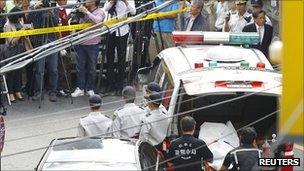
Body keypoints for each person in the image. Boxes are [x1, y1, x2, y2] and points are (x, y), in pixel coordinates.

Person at [71, 0, 104, 97]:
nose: (86, 1)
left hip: (93, 44)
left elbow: (97, 21)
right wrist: (78, 12)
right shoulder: (82, 10)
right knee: (80, 67)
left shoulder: (100, 12)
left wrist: (86, 12)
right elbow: (74, 21)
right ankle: (80, 88)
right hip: (81, 43)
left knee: (92, 68)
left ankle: (90, 88)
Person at [28, 0, 60, 102]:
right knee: (39, 69)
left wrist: (51, 13)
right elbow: (29, 20)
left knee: (53, 69)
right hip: (39, 40)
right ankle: (38, 92)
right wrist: (34, 9)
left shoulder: (54, 7)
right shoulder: (36, 7)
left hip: (52, 40)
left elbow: (55, 23)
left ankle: (53, 92)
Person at [103, 0, 136, 96]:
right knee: (109, 58)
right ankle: (110, 84)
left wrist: (125, 1)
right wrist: (112, 2)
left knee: (121, 58)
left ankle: (120, 86)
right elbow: (105, 8)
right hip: (111, 31)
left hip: (122, 31)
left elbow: (133, 12)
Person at [4, 7, 30, 103]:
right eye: (19, 17)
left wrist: (26, 31)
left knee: (19, 71)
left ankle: (18, 91)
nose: (20, 19)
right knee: (11, 72)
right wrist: (20, 32)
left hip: (20, 49)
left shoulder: (18, 23)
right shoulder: (7, 25)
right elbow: (11, 42)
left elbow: (23, 36)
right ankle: (11, 93)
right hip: (11, 51)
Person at [57, 0, 72, 96]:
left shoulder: (67, 9)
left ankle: (67, 87)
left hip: (68, 41)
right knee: (60, 67)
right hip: (60, 42)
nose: (65, 1)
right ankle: (60, 88)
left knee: (68, 66)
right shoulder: (56, 10)